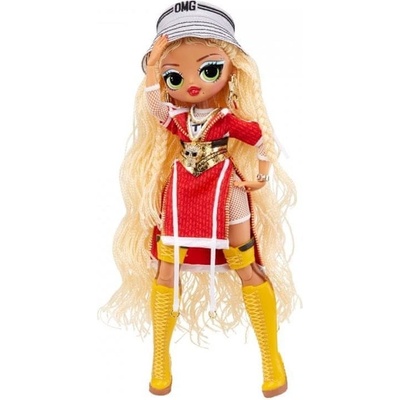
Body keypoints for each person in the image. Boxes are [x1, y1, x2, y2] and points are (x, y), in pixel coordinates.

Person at [100, 2, 299, 397]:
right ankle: (160, 360)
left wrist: (260, 177)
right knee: (166, 268)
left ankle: (271, 358)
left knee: (245, 263)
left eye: (208, 70)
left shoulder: (226, 120)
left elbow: (262, 139)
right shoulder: (177, 118)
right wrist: (154, 69)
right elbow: (156, 107)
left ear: (231, 71)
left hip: (226, 189)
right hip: (182, 192)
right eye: (176, 75)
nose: (192, 84)